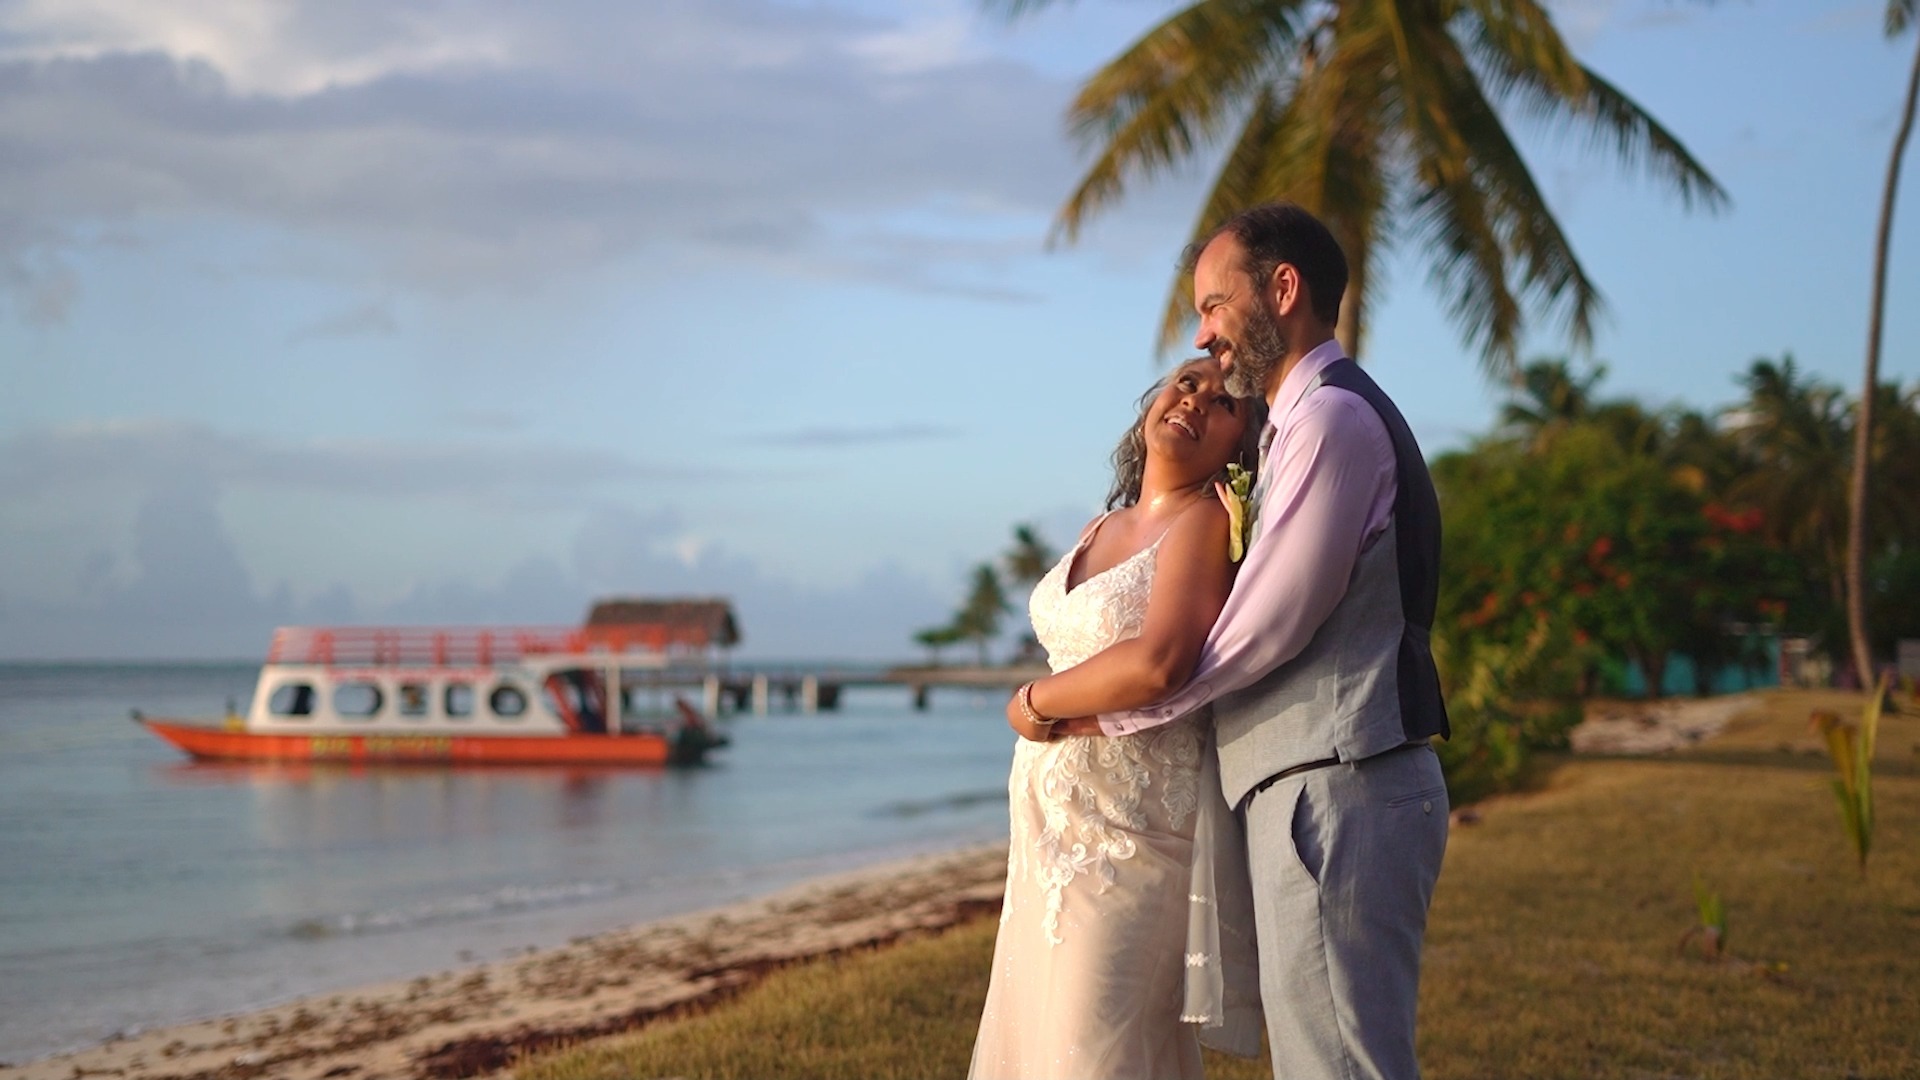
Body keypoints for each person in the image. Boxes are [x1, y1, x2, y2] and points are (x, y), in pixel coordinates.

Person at [1054, 202, 1452, 1080]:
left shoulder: (1332, 422)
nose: (1203, 336)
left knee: (1339, 1064)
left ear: (1282, 289)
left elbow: (1274, 619)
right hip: (1318, 783)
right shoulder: (1299, 427)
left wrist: (1119, 715)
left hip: (1337, 781)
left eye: (1212, 304)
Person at [968, 358, 1265, 1080]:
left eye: (1223, 403)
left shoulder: (1202, 523)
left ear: (1241, 445)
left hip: (1130, 840)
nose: (1195, 400)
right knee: (1040, 1045)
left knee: (1093, 1051)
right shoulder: (1102, 524)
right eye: (1187, 383)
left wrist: (1033, 702)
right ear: (1150, 405)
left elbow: (1159, 661)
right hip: (1048, 840)